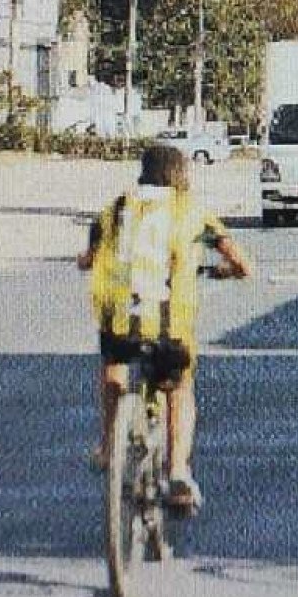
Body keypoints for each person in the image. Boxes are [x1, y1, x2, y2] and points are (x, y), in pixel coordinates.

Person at [77, 144, 251, 513]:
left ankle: (109, 445)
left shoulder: (117, 208)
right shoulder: (191, 212)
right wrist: (227, 271)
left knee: (113, 364)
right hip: (169, 329)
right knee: (179, 389)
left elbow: (87, 259)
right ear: (181, 174)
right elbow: (240, 262)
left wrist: (92, 261)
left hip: (120, 323)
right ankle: (177, 470)